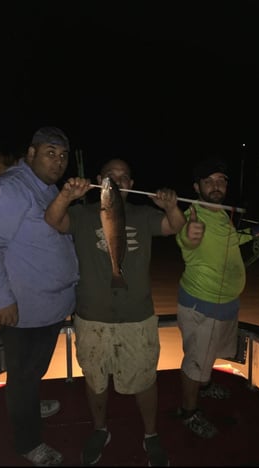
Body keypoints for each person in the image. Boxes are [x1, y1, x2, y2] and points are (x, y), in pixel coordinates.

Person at [45, 158, 186, 467]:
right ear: (99, 180)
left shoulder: (143, 215)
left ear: (132, 185)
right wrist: (66, 195)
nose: (118, 181)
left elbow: (175, 226)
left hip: (137, 317)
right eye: (111, 176)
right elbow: (53, 220)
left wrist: (170, 206)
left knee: (145, 379)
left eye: (124, 177)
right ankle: (99, 430)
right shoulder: (81, 214)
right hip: (91, 317)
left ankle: (151, 435)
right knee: (95, 380)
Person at [0, 126, 79, 466]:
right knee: (23, 375)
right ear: (30, 153)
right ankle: (28, 442)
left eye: (62, 155)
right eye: (50, 153)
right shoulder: (7, 190)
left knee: (32, 372)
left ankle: (27, 402)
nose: (58, 161)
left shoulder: (45, 188)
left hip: (48, 306)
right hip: (23, 309)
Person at [174, 157, 259, 438]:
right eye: (209, 181)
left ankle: (204, 386)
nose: (216, 186)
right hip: (202, 304)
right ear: (196, 186)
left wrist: (251, 233)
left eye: (221, 180)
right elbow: (187, 238)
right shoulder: (191, 217)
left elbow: (226, 241)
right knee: (195, 361)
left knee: (209, 354)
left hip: (227, 303)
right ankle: (189, 412)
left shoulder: (221, 214)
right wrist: (187, 235)